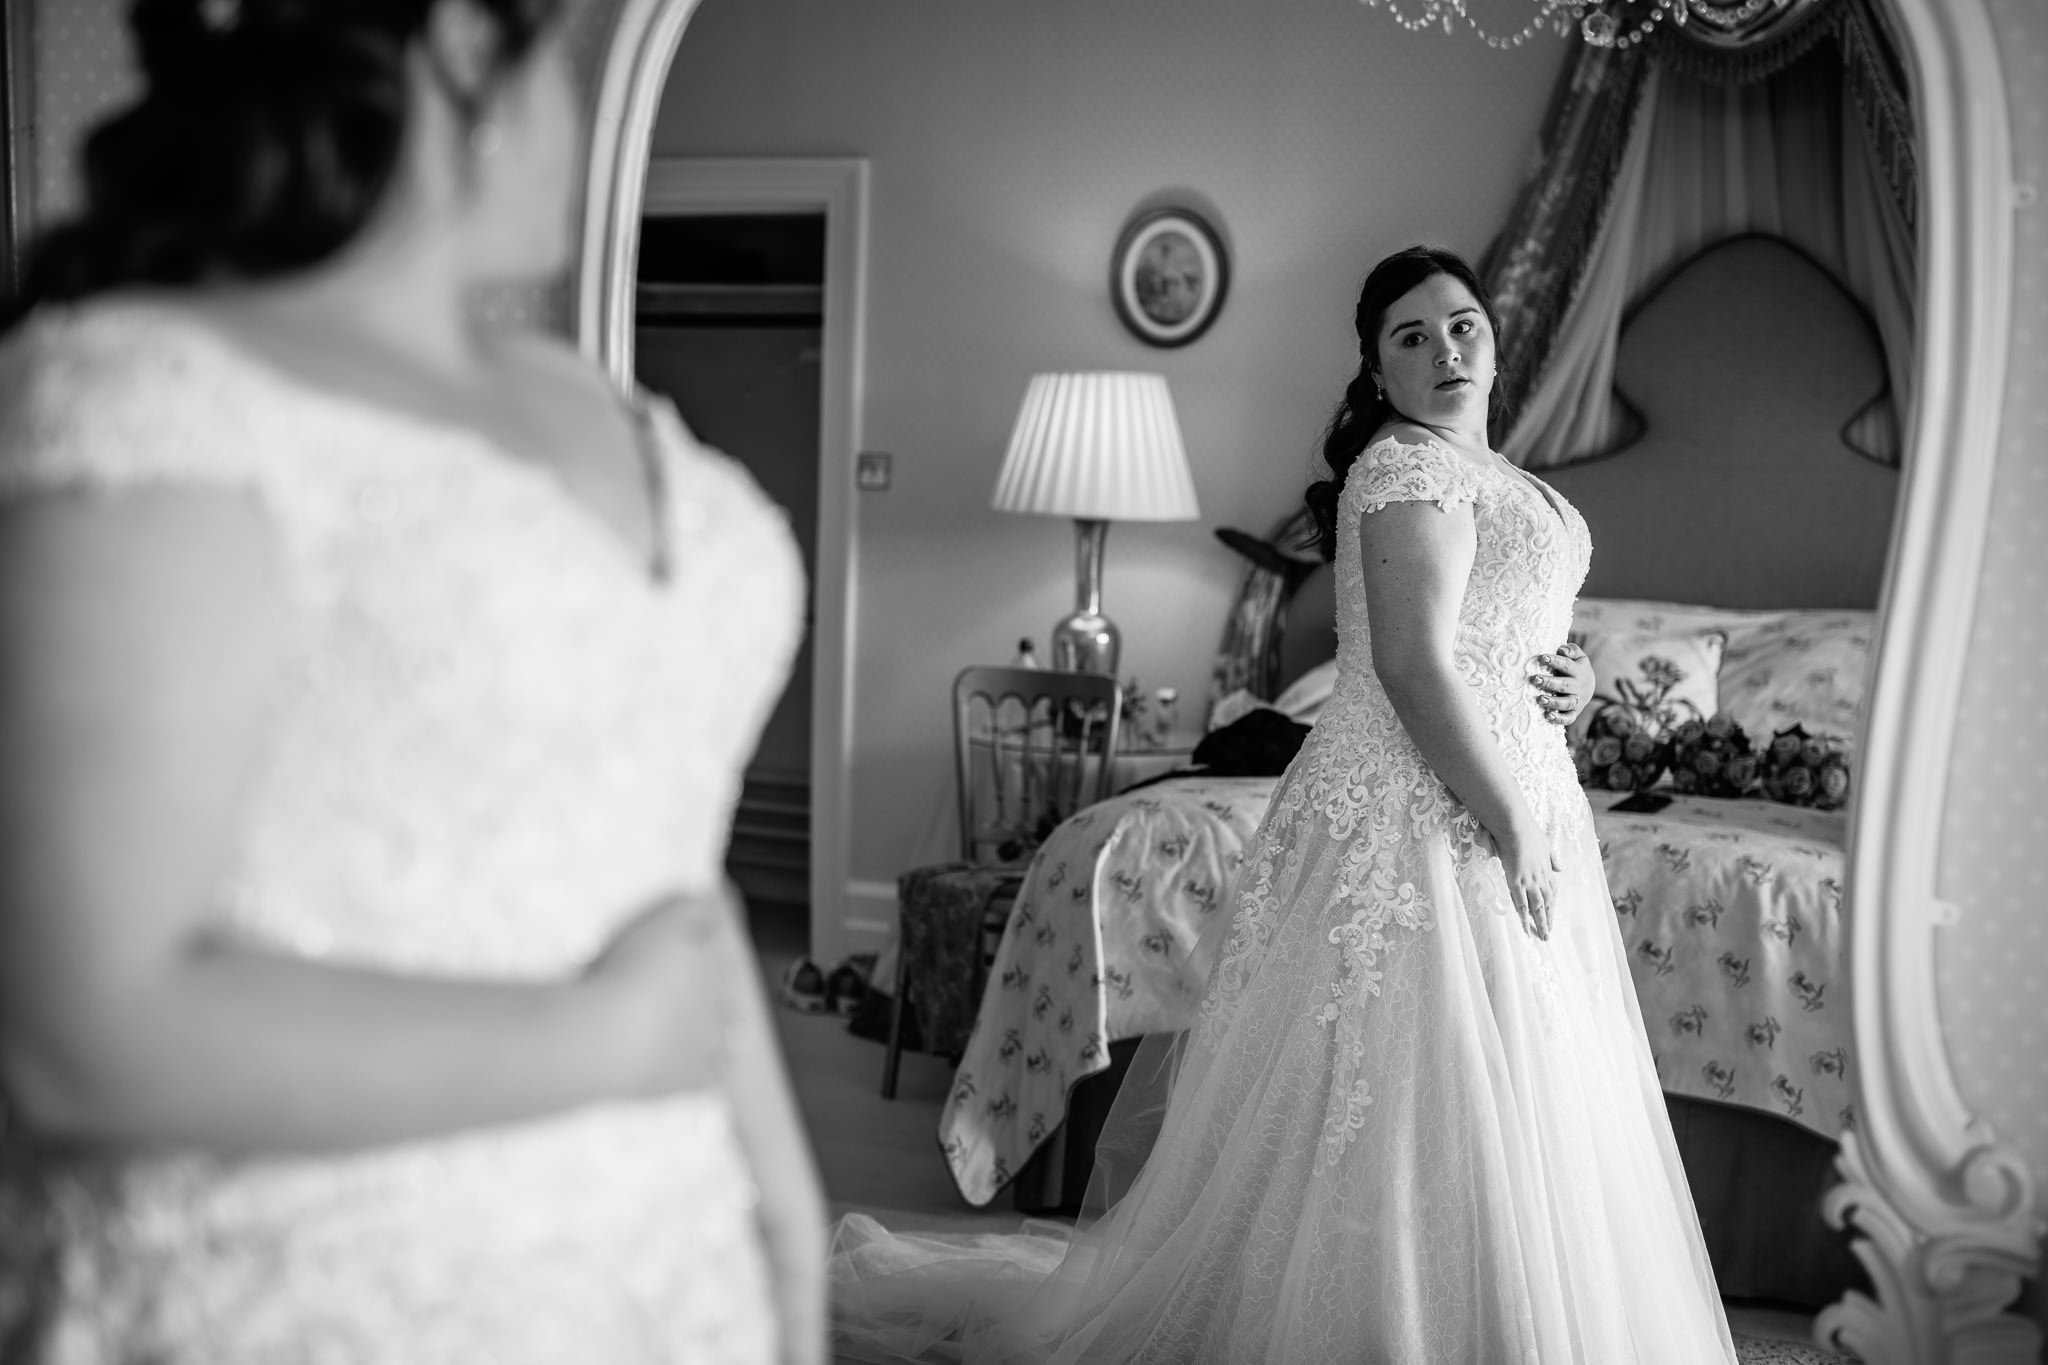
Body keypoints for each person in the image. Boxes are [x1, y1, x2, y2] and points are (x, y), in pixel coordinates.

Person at [0, 1, 823, 1360]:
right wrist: (596, 1045)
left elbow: (667, 873)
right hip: (327, 1290)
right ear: (455, 45)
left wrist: (787, 1232)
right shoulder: (151, 396)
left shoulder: (595, 400)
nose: (571, 106)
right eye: (559, 57)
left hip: (677, 1268)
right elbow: (83, 1025)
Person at [829, 246, 1739, 1363]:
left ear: (1497, 341)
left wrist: (1576, 679)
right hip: (1419, 806)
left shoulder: (1519, 485)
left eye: (1460, 325)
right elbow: (1413, 669)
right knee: (1403, 1079)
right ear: (1376, 372)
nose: (1443, 349)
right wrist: (1508, 822)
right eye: (1409, 337)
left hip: (1518, 788)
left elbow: (1511, 634)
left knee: (1508, 1075)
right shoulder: (1402, 470)